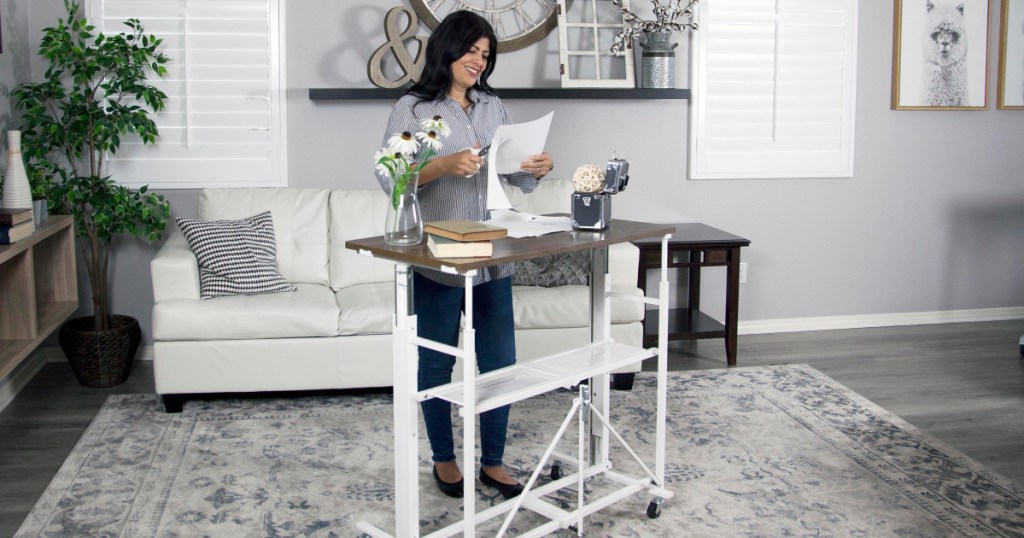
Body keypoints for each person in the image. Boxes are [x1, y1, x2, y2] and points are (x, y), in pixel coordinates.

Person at [374, 10, 553, 500]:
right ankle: (444, 459)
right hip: (438, 257)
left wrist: (534, 167)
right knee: (435, 364)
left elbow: (513, 174)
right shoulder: (412, 108)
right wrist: (442, 164)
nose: (479, 60)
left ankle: (492, 461)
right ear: (449, 49)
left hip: (493, 252)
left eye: (486, 54)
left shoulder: (493, 107)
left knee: (499, 363)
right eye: (472, 50)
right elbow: (391, 177)